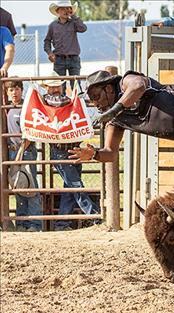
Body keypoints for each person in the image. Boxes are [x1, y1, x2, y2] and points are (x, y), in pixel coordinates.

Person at [42, 72, 100, 231]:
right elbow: (65, 102)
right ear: (46, 88)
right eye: (51, 86)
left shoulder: (58, 100)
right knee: (76, 185)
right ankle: (95, 216)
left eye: (56, 85)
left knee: (70, 187)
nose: (54, 89)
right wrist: (77, 99)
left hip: (72, 149)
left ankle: (62, 223)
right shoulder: (48, 100)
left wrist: (77, 99)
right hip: (61, 150)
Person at [6, 79, 43, 232]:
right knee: (19, 185)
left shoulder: (25, 107)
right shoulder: (7, 108)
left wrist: (21, 150)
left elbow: (29, 130)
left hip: (24, 150)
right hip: (12, 150)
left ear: (21, 90)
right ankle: (22, 221)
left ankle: (34, 223)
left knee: (30, 185)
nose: (14, 93)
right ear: (7, 93)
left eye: (16, 89)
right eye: (11, 90)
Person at [44, 0, 87, 89]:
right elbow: (47, 41)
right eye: (63, 9)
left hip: (74, 59)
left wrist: (74, 15)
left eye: (68, 9)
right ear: (57, 11)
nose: (66, 11)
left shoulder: (74, 23)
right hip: (59, 59)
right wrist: (50, 53)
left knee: (76, 86)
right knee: (59, 86)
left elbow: (83, 28)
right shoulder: (52, 26)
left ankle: (78, 102)